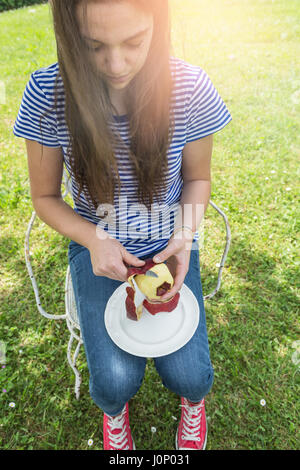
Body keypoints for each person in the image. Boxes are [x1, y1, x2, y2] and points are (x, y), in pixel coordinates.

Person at [13, 0, 232, 450]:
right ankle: (116, 413)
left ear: (158, 20)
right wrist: (94, 240)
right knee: (114, 382)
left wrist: (184, 237)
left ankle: (194, 405)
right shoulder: (49, 93)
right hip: (97, 247)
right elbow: (44, 197)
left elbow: (198, 178)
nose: (116, 64)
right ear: (70, 34)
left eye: (134, 41)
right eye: (93, 46)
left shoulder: (188, 87)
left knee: (190, 376)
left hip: (169, 240)